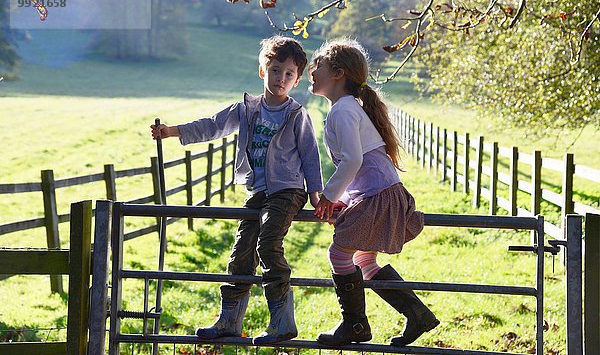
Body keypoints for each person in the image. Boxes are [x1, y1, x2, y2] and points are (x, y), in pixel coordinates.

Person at [150, 35, 323, 344]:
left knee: (268, 246)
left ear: (296, 80)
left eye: (288, 74)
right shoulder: (246, 109)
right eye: (275, 70)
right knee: (241, 254)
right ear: (262, 71)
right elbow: (212, 124)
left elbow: (310, 154)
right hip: (257, 193)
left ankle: (282, 323)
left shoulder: (297, 115)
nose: (280, 79)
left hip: (288, 191)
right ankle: (229, 321)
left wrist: (315, 193)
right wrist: (171, 131)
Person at [308, 38, 439, 347]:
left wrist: (328, 196)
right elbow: (360, 164)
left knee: (338, 253)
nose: (312, 71)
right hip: (380, 192)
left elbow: (353, 160)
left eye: (319, 66)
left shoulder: (343, 111)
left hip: (379, 195)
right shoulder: (349, 107)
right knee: (365, 261)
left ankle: (355, 325)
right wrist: (346, 198)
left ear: (338, 73)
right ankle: (417, 315)